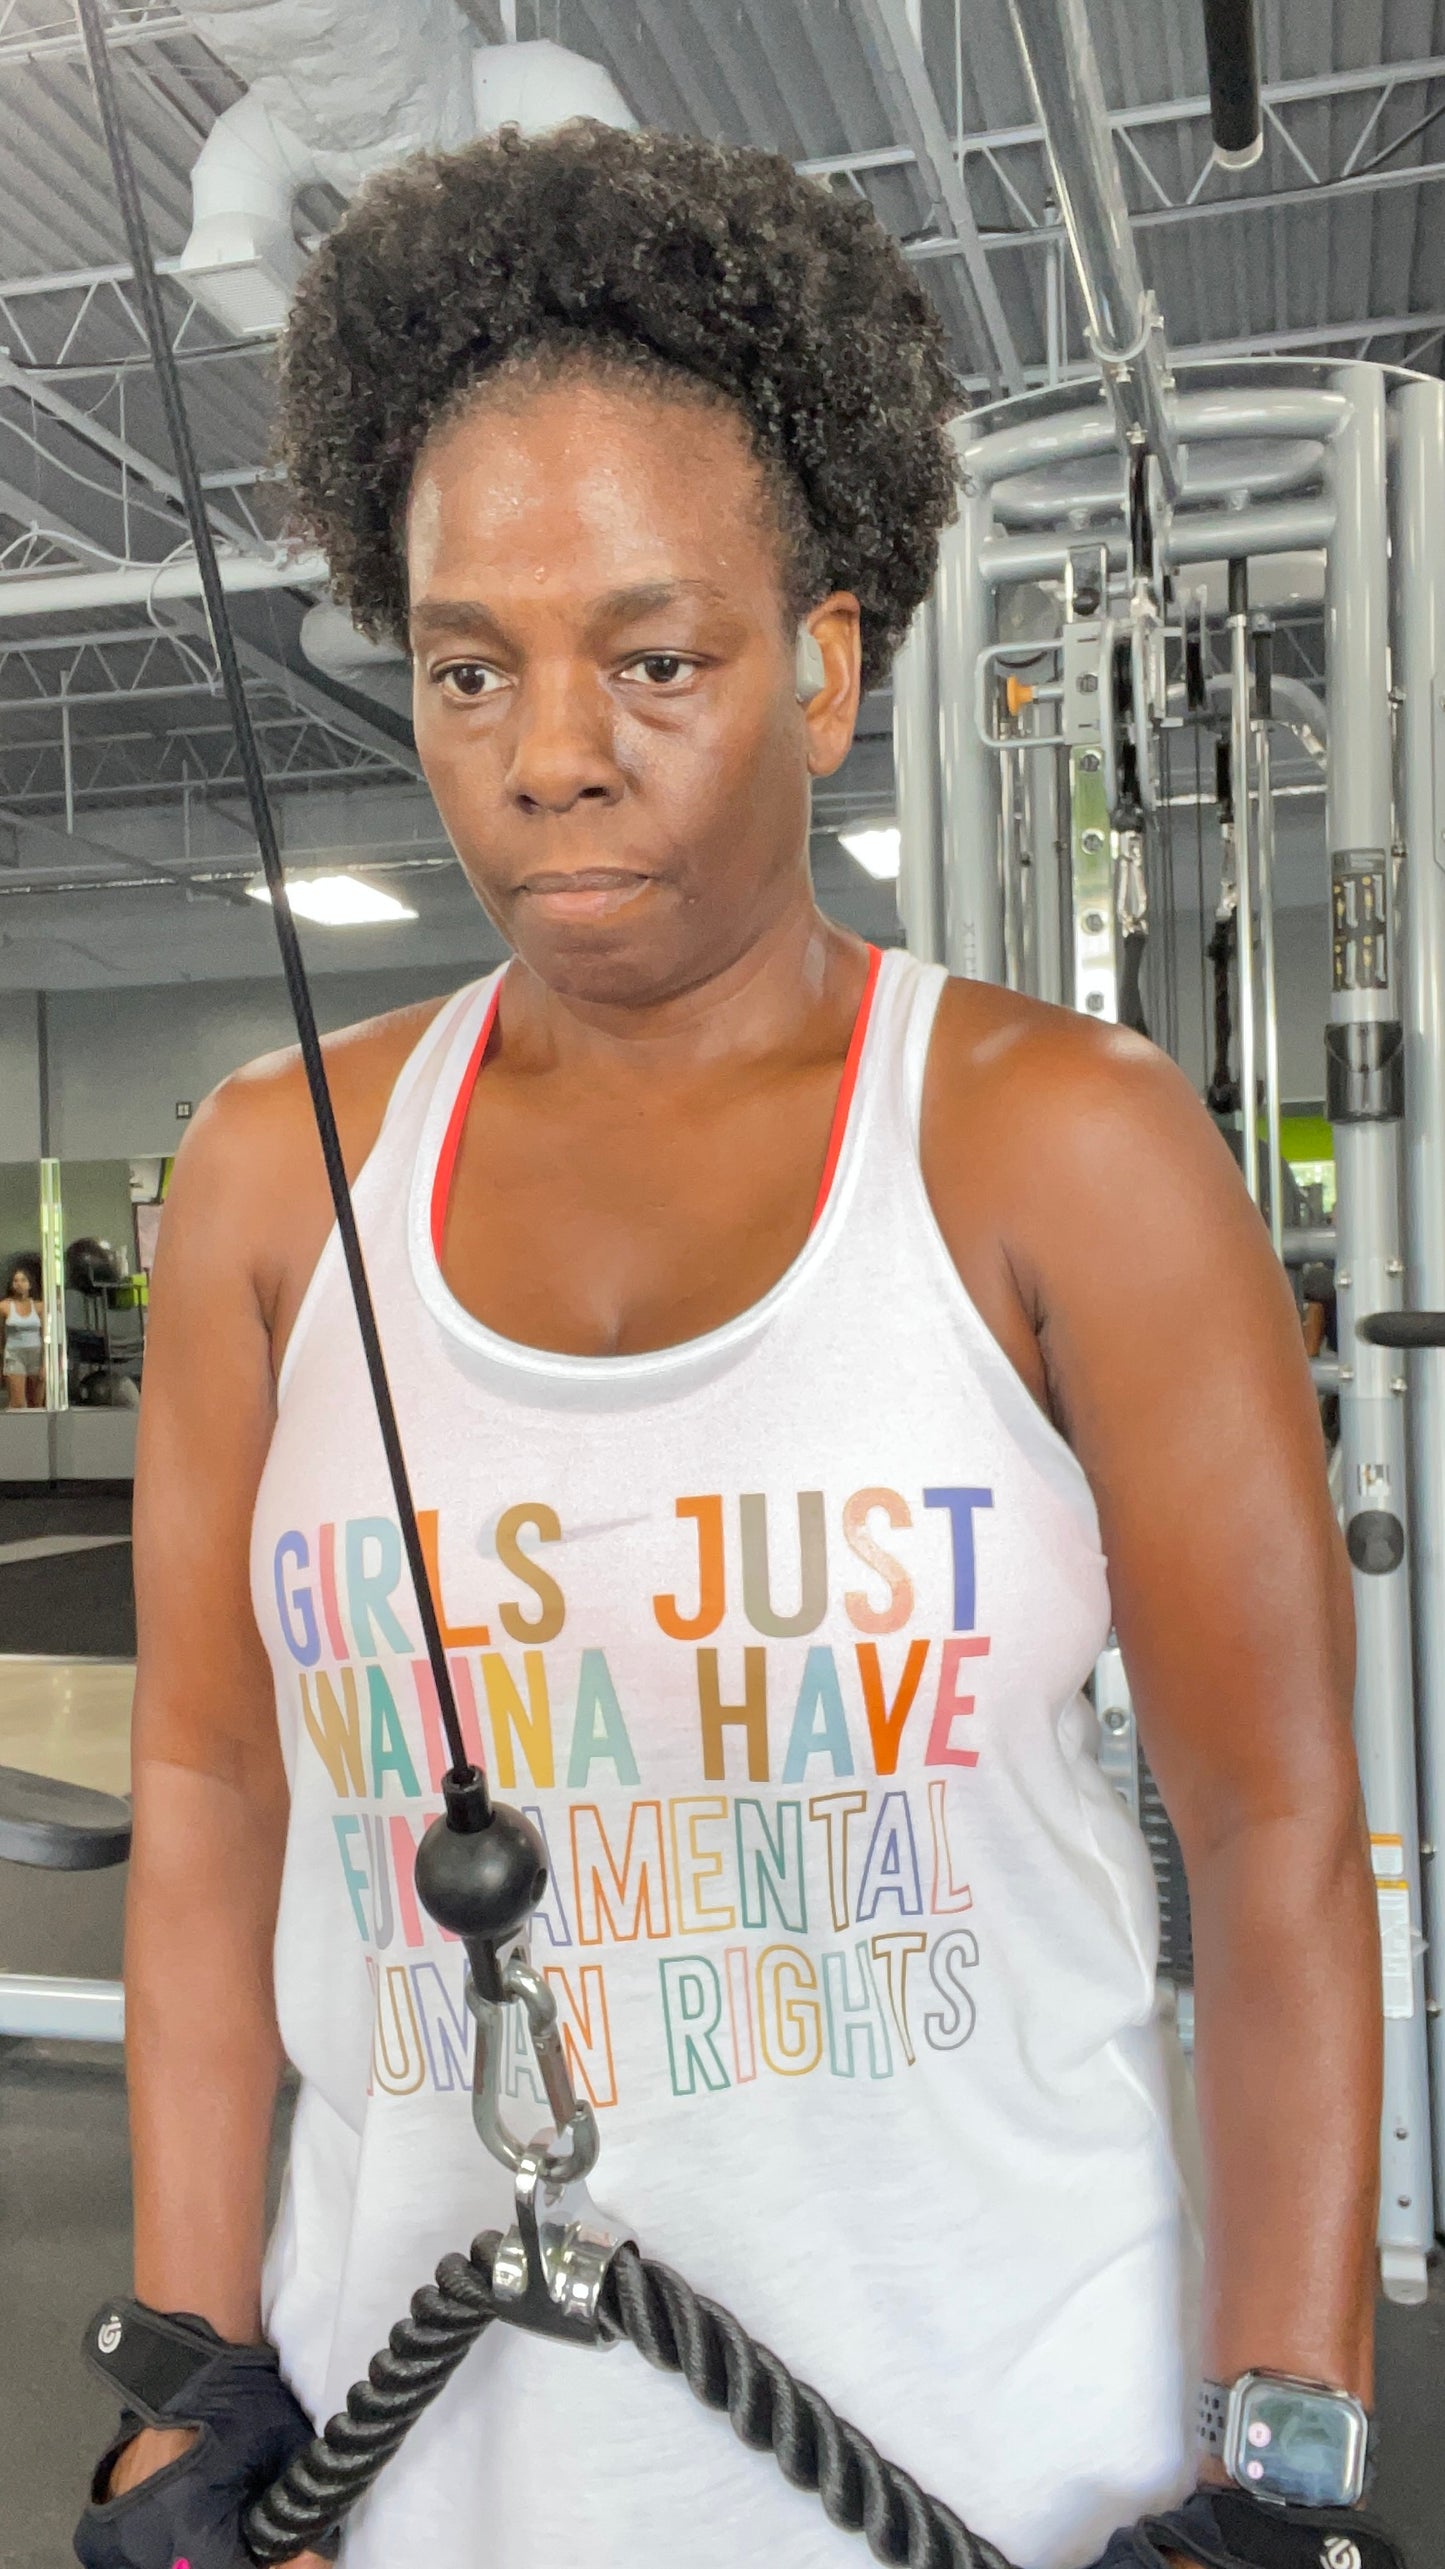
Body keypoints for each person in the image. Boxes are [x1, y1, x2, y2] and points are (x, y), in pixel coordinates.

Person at [102, 125, 1383, 2569]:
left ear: (823, 661)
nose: (549, 747)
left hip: (994, 2444)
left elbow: (1270, 1825)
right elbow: (209, 1793)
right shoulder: (279, 1178)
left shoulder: (1064, 1151)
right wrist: (184, 2363)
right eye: (468, 663)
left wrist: (1282, 2453)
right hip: (427, 2448)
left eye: (653, 656)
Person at [2, 1256, 45, 1408]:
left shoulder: (39, 1306)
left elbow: (46, 1335)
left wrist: (45, 1364)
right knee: (18, 1403)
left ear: (30, 1284)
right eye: (16, 1280)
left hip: (36, 1354)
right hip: (15, 1354)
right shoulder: (5, 1306)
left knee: (36, 1403)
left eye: (23, 1280)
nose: (19, 1284)